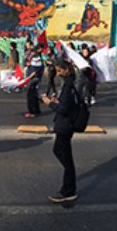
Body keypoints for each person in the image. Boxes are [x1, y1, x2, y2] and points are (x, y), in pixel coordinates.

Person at [40, 60, 79, 203]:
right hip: (64, 125)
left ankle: (68, 190)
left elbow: (63, 109)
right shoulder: (68, 83)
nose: (58, 73)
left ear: (67, 70)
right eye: (57, 70)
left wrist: (49, 103)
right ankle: (70, 178)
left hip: (65, 126)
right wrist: (57, 101)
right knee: (58, 151)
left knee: (65, 156)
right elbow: (65, 104)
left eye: (60, 70)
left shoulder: (69, 85)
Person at [24, 47, 44, 118]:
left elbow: (35, 71)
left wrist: (28, 78)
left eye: (31, 52)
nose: (30, 54)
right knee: (34, 95)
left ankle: (32, 112)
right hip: (34, 79)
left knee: (30, 96)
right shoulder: (34, 59)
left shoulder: (36, 59)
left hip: (34, 79)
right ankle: (37, 111)